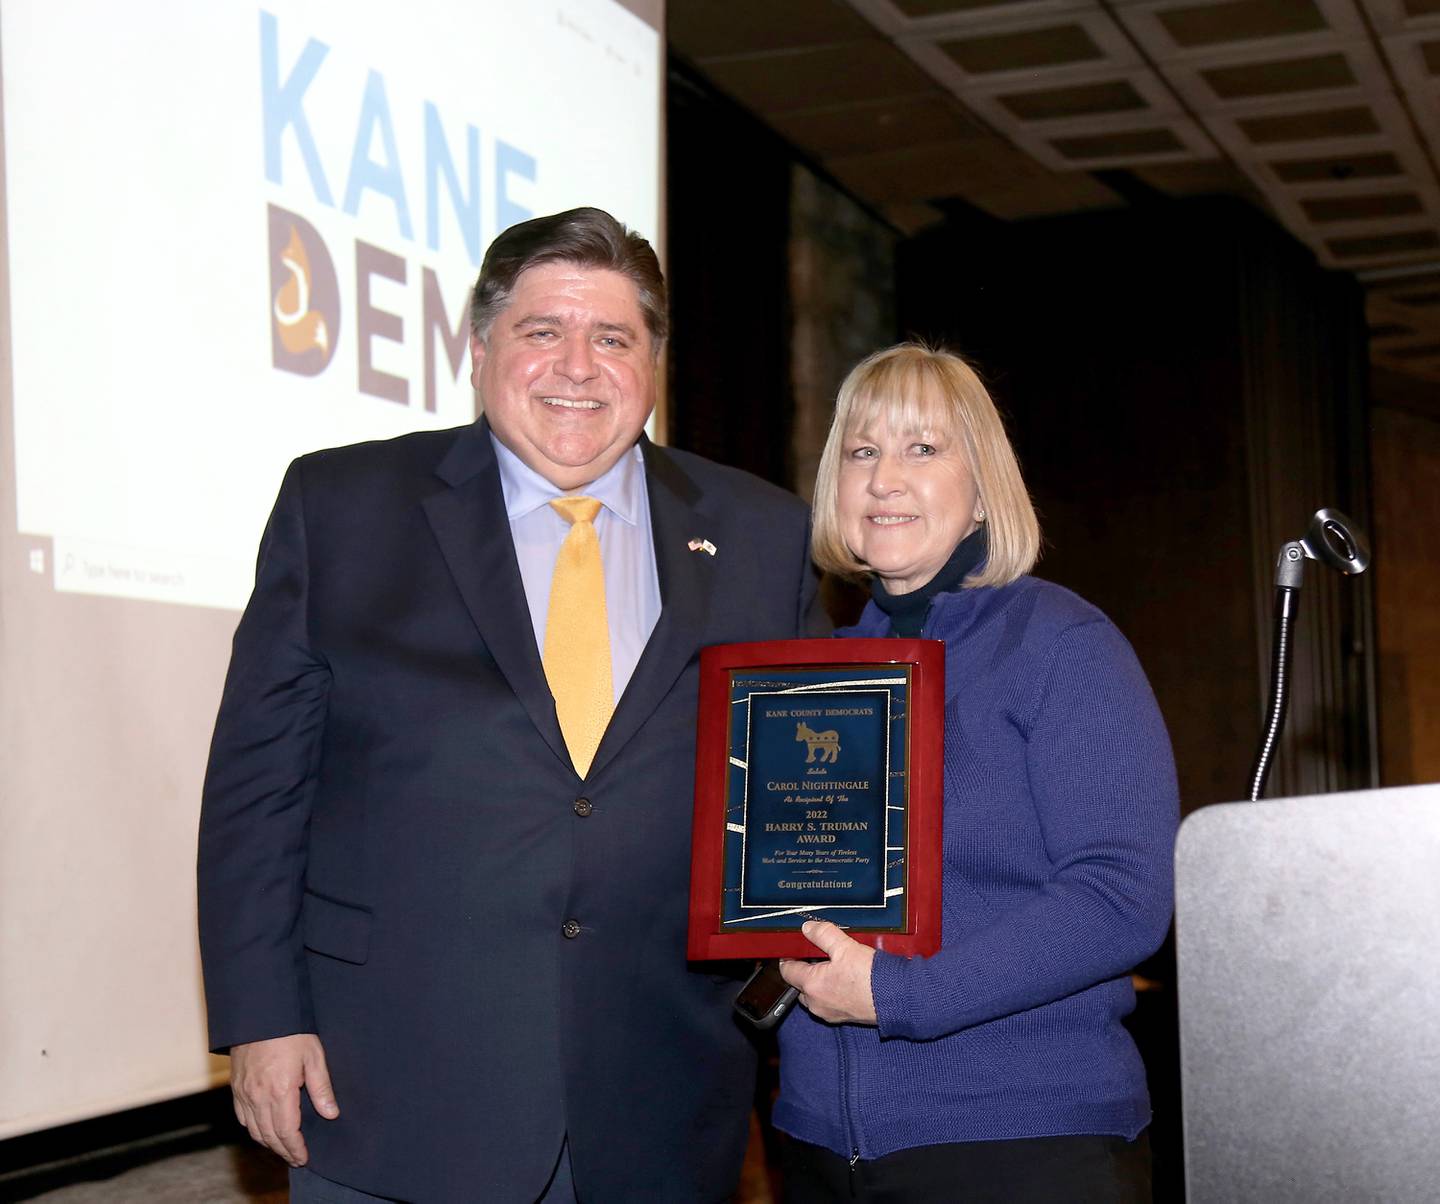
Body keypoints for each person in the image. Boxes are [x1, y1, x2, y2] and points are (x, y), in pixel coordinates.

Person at [197, 207, 825, 1203]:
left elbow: (799, 799)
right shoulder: (343, 507)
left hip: (660, 1099)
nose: (578, 365)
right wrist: (261, 1018)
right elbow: (257, 791)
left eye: (612, 338)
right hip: (387, 1091)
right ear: (482, 349)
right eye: (543, 332)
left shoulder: (760, 533)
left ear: (652, 366)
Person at [775, 343, 1179, 1202]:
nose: (884, 477)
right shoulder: (808, 680)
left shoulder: (1062, 645)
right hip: (816, 1148)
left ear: (984, 484)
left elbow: (1121, 897)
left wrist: (899, 993)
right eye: (861, 450)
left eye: (922, 449)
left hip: (1023, 1142)